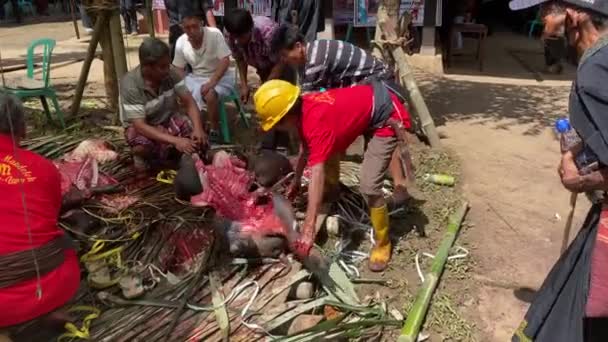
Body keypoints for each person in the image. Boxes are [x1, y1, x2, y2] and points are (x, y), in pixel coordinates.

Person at [509, 0, 608, 340]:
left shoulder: (595, 68)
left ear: (574, 14)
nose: (542, 30)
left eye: (544, 15)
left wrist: (580, 178)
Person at [254, 80, 412, 272]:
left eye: (276, 124)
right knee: (324, 151)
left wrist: (309, 227)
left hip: (386, 116)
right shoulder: (303, 109)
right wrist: (296, 180)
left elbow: (317, 172)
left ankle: (383, 242)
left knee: (369, 186)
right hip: (369, 105)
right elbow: (306, 149)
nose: (277, 129)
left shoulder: (315, 121)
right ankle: (333, 193)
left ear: (286, 116)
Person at [271, 24, 413, 207]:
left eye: (285, 55)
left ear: (298, 46)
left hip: (377, 83)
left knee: (377, 127)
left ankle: (399, 187)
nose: (284, 60)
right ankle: (393, 183)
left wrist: (300, 174)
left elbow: (308, 110)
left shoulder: (315, 60)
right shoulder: (306, 59)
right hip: (364, 83)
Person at [0, 94, 80, 338]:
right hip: (54, 285)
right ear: (22, 128)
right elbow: (49, 216)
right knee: (63, 238)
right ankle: (43, 311)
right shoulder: (44, 167)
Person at [119, 37, 205, 171]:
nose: (167, 69)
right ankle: (146, 159)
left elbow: (189, 102)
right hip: (143, 128)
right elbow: (140, 126)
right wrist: (176, 141)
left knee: (193, 128)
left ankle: (177, 156)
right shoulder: (131, 84)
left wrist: (198, 128)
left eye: (168, 64)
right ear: (147, 67)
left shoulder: (170, 73)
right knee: (141, 148)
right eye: (162, 67)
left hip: (166, 120)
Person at [224, 8, 294, 151]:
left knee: (282, 104)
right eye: (235, 38)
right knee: (268, 105)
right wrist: (244, 85)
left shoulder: (268, 32)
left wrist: (267, 86)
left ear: (250, 29)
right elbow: (240, 59)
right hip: (262, 65)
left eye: (241, 37)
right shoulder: (230, 34)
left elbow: (282, 60)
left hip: (282, 64)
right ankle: (269, 144)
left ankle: (283, 145)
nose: (238, 41)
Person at [173, 13, 235, 143]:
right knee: (182, 91)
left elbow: (225, 61)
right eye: (187, 27)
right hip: (196, 77)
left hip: (220, 76)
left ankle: (214, 129)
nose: (192, 31)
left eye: (195, 26)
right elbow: (177, 68)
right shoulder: (181, 42)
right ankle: (196, 127)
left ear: (202, 23)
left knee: (210, 94)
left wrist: (212, 82)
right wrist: (182, 84)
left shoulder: (214, 34)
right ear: (182, 27)